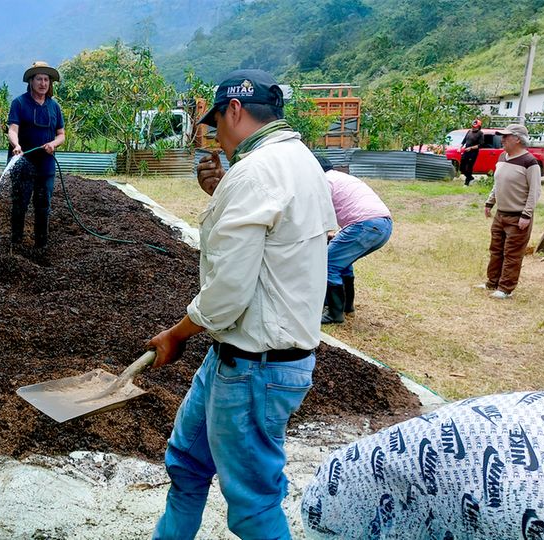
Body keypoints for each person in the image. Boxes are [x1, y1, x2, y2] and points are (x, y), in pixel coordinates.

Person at [146, 69, 336, 540]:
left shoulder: (255, 172)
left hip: (257, 366)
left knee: (252, 506)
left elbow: (228, 293)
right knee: (187, 464)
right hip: (234, 358)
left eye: (216, 125)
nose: (215, 137)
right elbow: (282, 241)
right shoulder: (301, 161)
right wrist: (221, 193)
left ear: (234, 109)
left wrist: (175, 334)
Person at [317, 156, 393, 324]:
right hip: (383, 225)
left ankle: (334, 314)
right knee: (341, 262)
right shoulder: (342, 177)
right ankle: (347, 307)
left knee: (329, 263)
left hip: (365, 225)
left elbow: (319, 216)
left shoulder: (323, 181)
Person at [7, 61, 65, 249]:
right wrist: (16, 145)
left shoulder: (54, 107)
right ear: (31, 81)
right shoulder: (19, 103)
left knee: (43, 206)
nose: (43, 83)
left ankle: (41, 245)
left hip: (46, 165)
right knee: (20, 205)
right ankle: (16, 244)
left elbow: (61, 134)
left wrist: (53, 144)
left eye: (46, 79)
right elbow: (12, 129)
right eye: (39, 79)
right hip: (23, 163)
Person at [479, 124, 540, 299]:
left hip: (517, 216)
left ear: (518, 139)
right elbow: (497, 184)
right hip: (501, 214)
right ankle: (492, 282)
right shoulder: (502, 157)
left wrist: (526, 215)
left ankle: (505, 289)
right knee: (496, 250)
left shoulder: (530, 162)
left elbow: (534, 191)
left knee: (512, 254)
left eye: (506, 136)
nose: (502, 139)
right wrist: (490, 202)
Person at [459, 119, 484, 186]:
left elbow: (480, 145)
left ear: (478, 126)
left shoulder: (480, 134)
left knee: (469, 167)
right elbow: (464, 141)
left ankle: (466, 183)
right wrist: (460, 147)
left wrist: (471, 148)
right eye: (473, 126)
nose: (473, 127)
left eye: (475, 126)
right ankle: (470, 178)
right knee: (462, 167)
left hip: (473, 153)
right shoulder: (469, 131)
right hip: (466, 151)